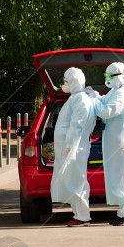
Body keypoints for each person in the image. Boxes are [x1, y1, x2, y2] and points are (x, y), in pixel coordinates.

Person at [92, 62, 124, 226]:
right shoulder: (115, 91)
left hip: (121, 141)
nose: (107, 79)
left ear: (119, 77)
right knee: (118, 177)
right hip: (114, 141)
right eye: (105, 76)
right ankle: (122, 212)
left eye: (109, 76)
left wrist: (95, 101)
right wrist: (95, 95)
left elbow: (107, 111)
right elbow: (104, 101)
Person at [51, 67, 95, 226]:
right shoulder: (75, 98)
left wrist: (70, 144)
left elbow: (77, 125)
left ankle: (83, 216)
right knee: (72, 179)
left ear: (74, 82)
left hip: (76, 147)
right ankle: (79, 214)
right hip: (72, 147)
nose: (64, 84)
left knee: (77, 180)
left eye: (66, 81)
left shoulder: (80, 100)